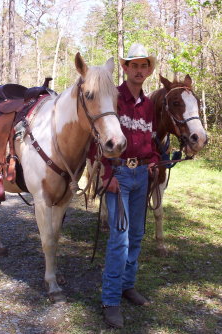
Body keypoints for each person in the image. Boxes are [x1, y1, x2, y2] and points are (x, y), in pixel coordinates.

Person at [89, 43, 159, 329]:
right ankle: (111, 300)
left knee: (138, 234)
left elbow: (151, 139)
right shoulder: (113, 98)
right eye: (134, 65)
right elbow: (99, 138)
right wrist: (107, 174)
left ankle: (128, 286)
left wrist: (154, 161)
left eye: (144, 66)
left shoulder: (149, 105)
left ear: (148, 70)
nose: (140, 70)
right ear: (125, 68)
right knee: (120, 239)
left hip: (142, 175)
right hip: (119, 175)